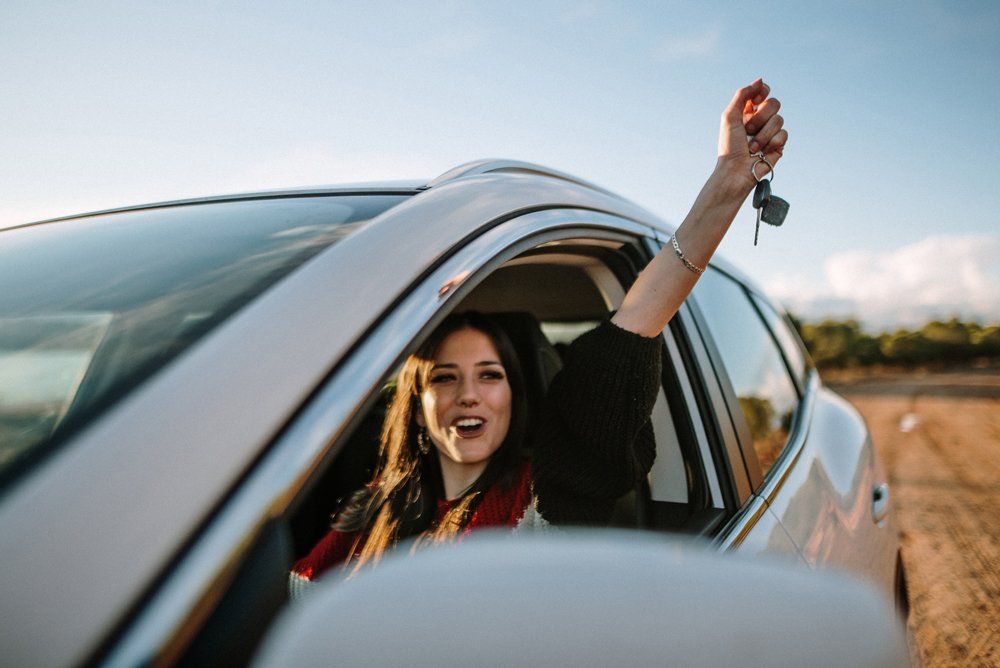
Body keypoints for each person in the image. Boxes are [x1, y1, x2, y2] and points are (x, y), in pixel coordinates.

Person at [291, 78, 787, 591]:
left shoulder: (550, 491)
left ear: (513, 392)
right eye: (443, 378)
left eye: (490, 374)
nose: (468, 395)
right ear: (415, 403)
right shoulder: (374, 506)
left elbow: (634, 326)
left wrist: (729, 183)